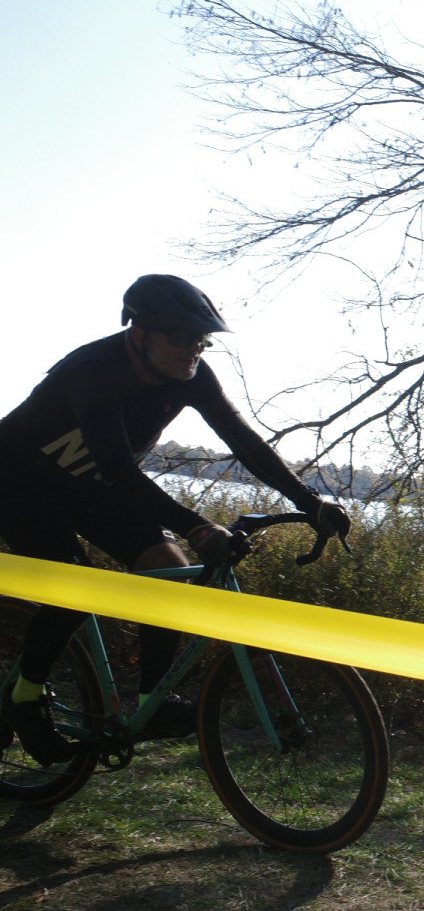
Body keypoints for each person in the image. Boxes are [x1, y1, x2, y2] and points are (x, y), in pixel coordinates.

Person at [0, 275, 349, 765]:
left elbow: (244, 442)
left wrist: (310, 501)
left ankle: (152, 704)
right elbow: (119, 471)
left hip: (89, 487)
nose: (194, 348)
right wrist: (198, 526)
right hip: (18, 480)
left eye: (202, 338)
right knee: (75, 587)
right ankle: (23, 699)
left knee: (167, 572)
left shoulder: (194, 375)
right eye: (180, 336)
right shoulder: (95, 371)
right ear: (139, 334)